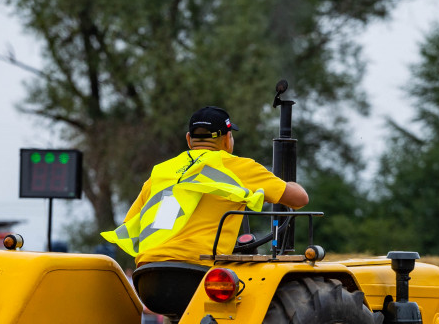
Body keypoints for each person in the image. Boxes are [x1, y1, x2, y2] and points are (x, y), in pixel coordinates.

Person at [102, 106, 309, 266]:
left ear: (189, 139)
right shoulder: (238, 167)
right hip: (198, 271)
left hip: (148, 272)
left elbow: (133, 222)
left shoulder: (161, 171)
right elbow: (299, 199)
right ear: (228, 139)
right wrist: (285, 182)